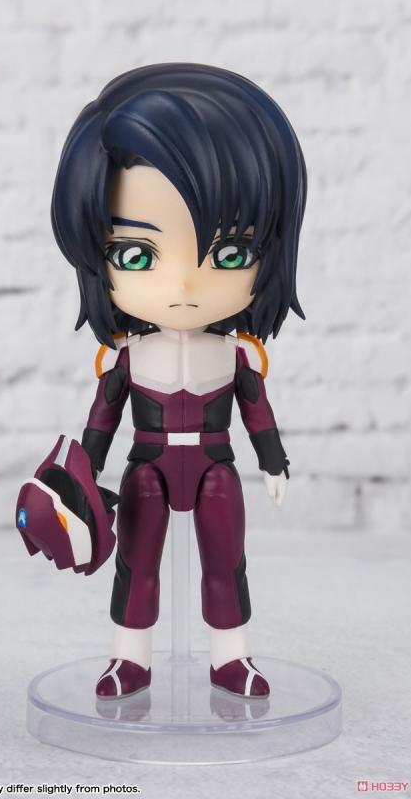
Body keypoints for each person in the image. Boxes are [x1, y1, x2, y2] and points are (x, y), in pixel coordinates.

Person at [49, 63, 308, 699]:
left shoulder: (236, 356)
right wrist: (84, 472)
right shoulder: (129, 358)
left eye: (230, 253)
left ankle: (232, 658)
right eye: (136, 255)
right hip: (148, 468)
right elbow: (102, 419)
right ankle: (128, 659)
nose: (185, 284)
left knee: (226, 564)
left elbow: (258, 413)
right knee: (136, 567)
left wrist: (273, 463)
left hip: (217, 467)